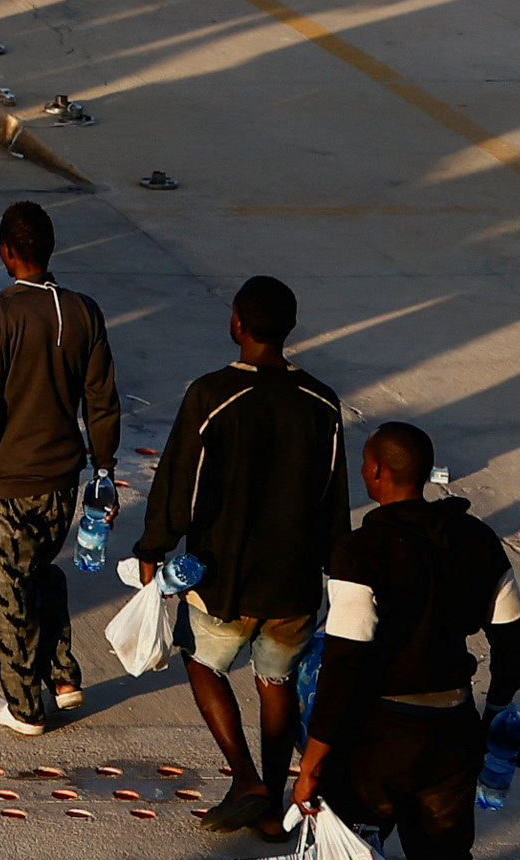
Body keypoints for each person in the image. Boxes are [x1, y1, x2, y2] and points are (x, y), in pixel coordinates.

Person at [288, 419, 520, 860]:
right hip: (452, 727)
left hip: (378, 736)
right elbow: (513, 641)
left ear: (375, 472)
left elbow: (344, 663)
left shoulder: (359, 551)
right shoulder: (477, 539)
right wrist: (495, 711)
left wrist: (313, 760)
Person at [126, 276, 352, 826]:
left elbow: (180, 485)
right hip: (294, 579)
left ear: (237, 324)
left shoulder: (212, 396)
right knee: (277, 682)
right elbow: (334, 495)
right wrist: (338, 571)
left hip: (223, 575)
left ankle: (245, 776)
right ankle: (272, 809)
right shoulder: (322, 401)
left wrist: (153, 547)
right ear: (290, 327)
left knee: (200, 658)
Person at [0, 201, 117, 730]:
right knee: (40, 571)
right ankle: (61, 677)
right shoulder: (84, 311)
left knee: (7, 591)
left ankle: (23, 707)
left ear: (6, 253)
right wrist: (104, 470)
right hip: (65, 480)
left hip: (13, 483)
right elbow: (102, 401)